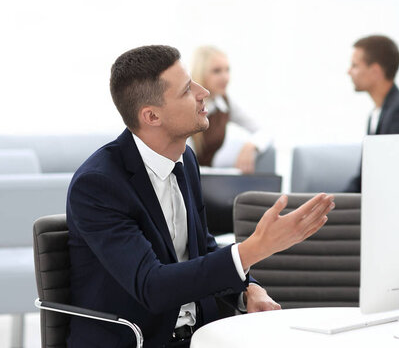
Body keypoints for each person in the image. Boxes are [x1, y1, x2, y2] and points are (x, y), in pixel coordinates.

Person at [66, 45, 334, 347]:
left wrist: (248, 287)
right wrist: (255, 248)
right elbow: (152, 286)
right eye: (186, 91)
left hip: (201, 336)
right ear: (151, 115)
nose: (203, 91)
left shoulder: (186, 159)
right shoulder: (98, 185)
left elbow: (201, 246)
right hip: (140, 340)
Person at [345, 35, 399, 192]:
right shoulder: (376, 113)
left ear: (375, 71)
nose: (349, 71)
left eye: (355, 65)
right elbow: (364, 178)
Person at [189, 46, 271, 174]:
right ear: (200, 73)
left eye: (227, 70)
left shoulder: (225, 102)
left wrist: (250, 146)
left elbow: (265, 131)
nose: (225, 77)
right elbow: (185, 164)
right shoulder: (186, 106)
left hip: (207, 180)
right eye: (217, 71)